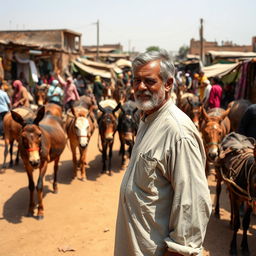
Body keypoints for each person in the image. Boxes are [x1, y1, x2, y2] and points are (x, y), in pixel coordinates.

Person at [114, 49, 212, 256]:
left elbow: (193, 205)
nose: (140, 87)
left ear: (168, 84)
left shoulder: (178, 133)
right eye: (136, 81)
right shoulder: (146, 119)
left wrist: (178, 252)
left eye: (149, 81)